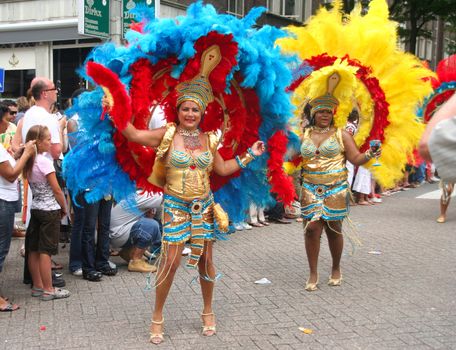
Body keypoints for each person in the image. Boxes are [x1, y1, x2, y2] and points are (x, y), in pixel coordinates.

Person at [106, 68, 265, 343]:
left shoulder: (209, 139)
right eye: (185, 109)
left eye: (195, 110)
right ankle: (157, 316)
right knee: (170, 263)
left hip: (203, 208)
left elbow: (223, 169)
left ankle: (207, 311)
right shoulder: (167, 135)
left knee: (206, 262)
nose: (190, 114)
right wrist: (114, 105)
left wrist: (250, 155)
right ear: (177, 111)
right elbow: (132, 134)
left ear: (202, 113)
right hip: (176, 208)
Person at [300, 86, 380, 292]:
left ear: (333, 113)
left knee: (334, 230)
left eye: (328, 112)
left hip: (335, 188)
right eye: (321, 112)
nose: (325, 115)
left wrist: (370, 154)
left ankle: (336, 267)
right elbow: (291, 158)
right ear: (313, 113)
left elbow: (355, 158)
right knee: (311, 230)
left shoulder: (341, 134)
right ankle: (312, 272)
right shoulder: (304, 134)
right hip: (309, 187)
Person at [22, 125, 70, 301]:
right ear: (39, 142)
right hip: (49, 210)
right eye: (48, 139)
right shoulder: (44, 161)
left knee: (33, 249)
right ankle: (49, 289)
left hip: (36, 208)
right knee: (46, 251)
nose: (51, 143)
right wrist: (63, 207)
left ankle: (37, 286)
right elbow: (56, 189)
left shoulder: (28, 160)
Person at [0, 104, 36, 311]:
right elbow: (11, 174)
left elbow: (8, 165)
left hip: (5, 200)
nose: (9, 123)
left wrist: (20, 152)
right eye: (5, 119)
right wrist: (27, 154)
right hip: (2, 202)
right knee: (2, 249)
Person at [109, 192, 162, 272]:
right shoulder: (140, 195)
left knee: (149, 221)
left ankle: (128, 252)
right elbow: (164, 196)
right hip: (118, 235)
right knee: (151, 225)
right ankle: (135, 261)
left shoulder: (130, 192)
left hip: (117, 233)